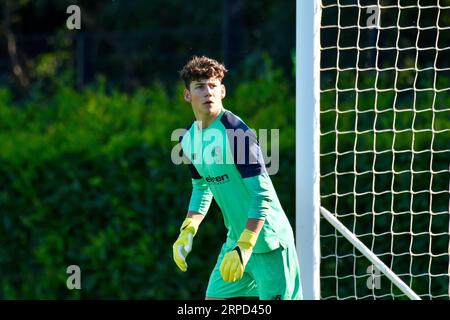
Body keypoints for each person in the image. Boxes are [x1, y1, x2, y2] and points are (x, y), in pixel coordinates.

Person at [172, 55, 302, 300]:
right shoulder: (187, 138)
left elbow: (261, 195)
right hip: (235, 243)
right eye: (200, 87)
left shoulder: (237, 133)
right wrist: (188, 229)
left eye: (213, 86)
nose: (207, 92)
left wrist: (246, 245)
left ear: (222, 91)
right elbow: (201, 186)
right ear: (187, 95)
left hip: (268, 244)